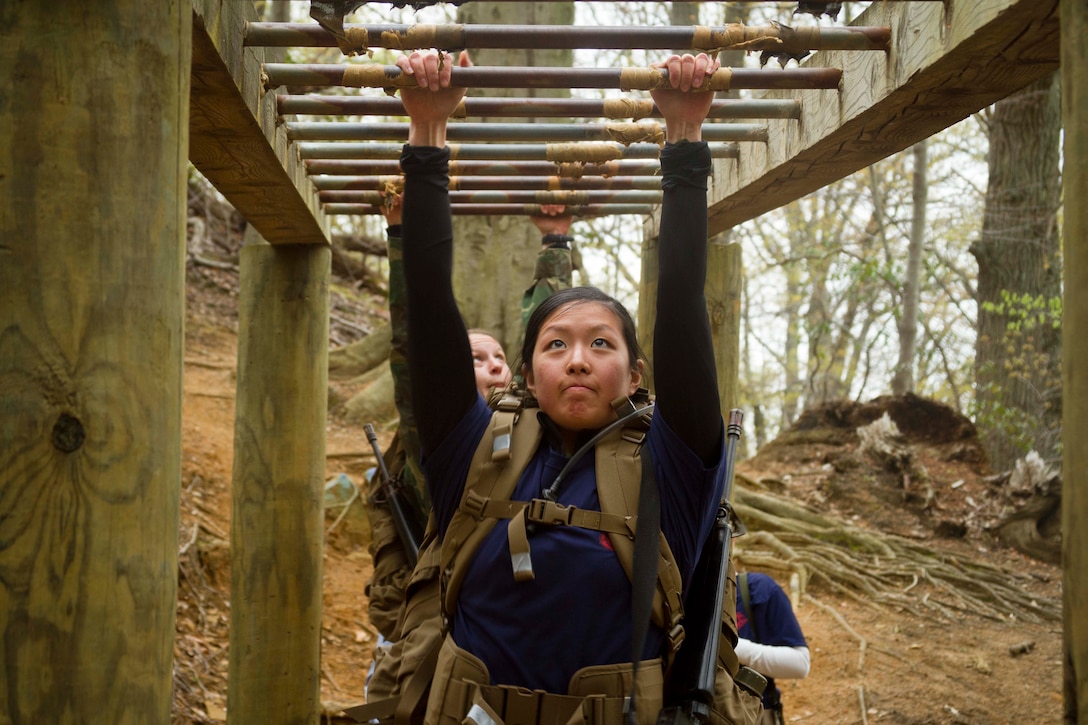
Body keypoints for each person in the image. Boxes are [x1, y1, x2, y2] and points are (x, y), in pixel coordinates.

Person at [395, 48, 754, 723]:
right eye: (555, 345)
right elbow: (429, 303)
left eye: (601, 343)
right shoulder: (473, 448)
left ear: (637, 373)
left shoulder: (671, 467)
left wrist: (684, 138)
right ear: (529, 374)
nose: (579, 360)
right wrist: (427, 134)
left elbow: (680, 305)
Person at [362, 195, 575, 706]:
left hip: (515, 629)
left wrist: (555, 242)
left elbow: (549, 339)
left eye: (499, 357)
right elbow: (413, 342)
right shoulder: (432, 438)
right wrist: (400, 237)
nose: (494, 364)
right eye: (474, 358)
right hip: (427, 637)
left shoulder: (532, 428)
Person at [735, 572, 811, 725]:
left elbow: (800, 664)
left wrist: (732, 647)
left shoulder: (759, 589)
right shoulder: (684, 592)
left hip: (756, 715)